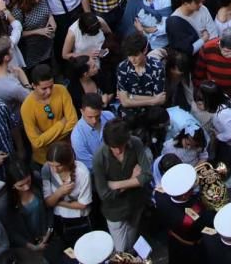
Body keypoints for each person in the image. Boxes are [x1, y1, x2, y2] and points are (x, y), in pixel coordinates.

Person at [91, 119, 153, 253]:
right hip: (114, 211)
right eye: (114, 147)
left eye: (122, 145)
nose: (119, 150)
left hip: (135, 205)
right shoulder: (99, 158)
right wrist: (133, 179)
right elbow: (105, 195)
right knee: (120, 250)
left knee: (130, 244)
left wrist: (118, 184)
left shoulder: (135, 143)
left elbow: (147, 175)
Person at [20, 64, 76, 164]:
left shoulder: (62, 90)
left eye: (51, 86)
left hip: (67, 151)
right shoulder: (26, 107)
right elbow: (36, 142)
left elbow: (73, 122)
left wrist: (46, 139)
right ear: (33, 86)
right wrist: (62, 123)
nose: (49, 91)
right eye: (44, 88)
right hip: (45, 160)